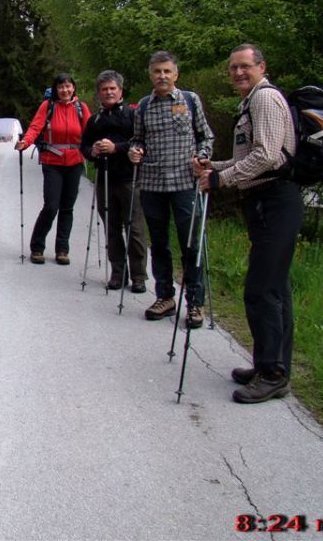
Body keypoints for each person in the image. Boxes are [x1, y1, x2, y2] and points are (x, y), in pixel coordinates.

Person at [193, 44, 301, 403]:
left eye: (244, 67)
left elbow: (268, 157)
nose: (238, 73)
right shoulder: (251, 101)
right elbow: (250, 157)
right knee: (275, 289)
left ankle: (272, 374)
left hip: (276, 201)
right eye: (233, 68)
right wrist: (215, 168)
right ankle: (270, 365)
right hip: (264, 201)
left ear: (261, 67)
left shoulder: (265, 99)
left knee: (262, 290)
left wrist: (223, 180)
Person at [128, 50, 213, 328]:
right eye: (157, 72)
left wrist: (202, 156)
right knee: (160, 244)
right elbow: (137, 139)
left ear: (176, 74)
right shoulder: (143, 105)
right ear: (150, 75)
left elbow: (205, 136)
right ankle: (165, 297)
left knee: (190, 245)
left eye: (167, 71)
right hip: (152, 183)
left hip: (185, 184)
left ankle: (196, 303)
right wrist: (134, 151)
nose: (162, 76)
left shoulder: (190, 100)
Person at [80, 70, 148, 292]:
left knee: (134, 228)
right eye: (104, 89)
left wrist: (116, 148)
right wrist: (94, 152)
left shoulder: (133, 115)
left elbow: (141, 142)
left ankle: (139, 276)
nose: (108, 92)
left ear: (120, 91)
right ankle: (118, 272)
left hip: (129, 179)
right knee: (111, 228)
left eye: (112, 89)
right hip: (104, 179)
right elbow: (84, 147)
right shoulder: (95, 120)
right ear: (99, 94)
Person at [15, 73, 90, 265]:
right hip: (52, 162)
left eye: (68, 86)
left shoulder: (81, 108)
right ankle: (37, 247)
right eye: (61, 87)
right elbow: (35, 127)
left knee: (67, 207)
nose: (65, 90)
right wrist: (26, 142)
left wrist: (97, 148)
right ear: (56, 89)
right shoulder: (48, 106)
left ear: (73, 88)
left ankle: (62, 250)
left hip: (75, 162)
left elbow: (90, 131)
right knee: (51, 206)